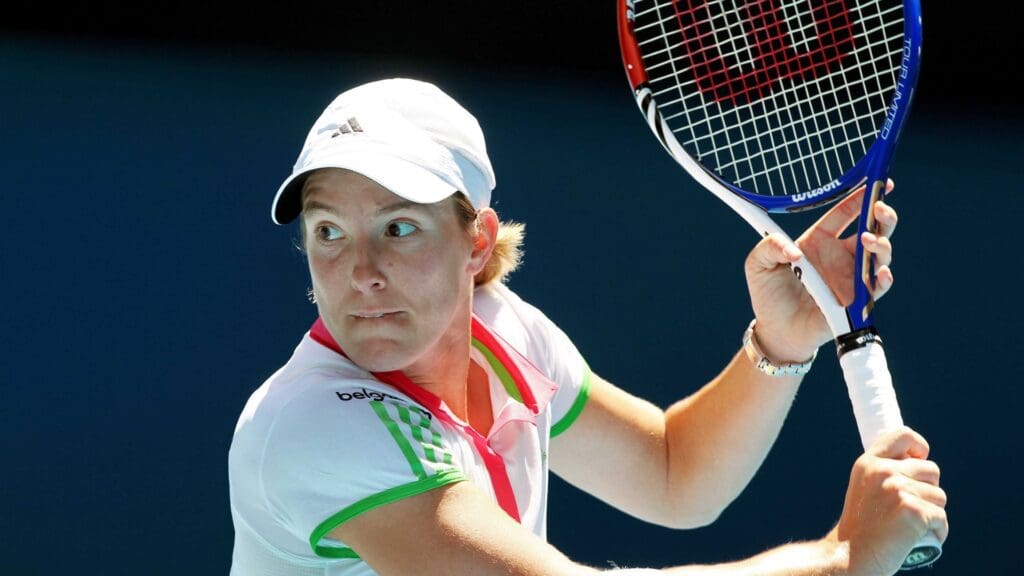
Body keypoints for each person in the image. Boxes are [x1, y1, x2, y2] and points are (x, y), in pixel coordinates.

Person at [228, 77, 947, 575]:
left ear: (476, 240)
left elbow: (674, 475)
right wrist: (844, 560)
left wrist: (780, 341)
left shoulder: (508, 335)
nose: (360, 271)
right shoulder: (313, 426)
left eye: (400, 227)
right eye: (328, 232)